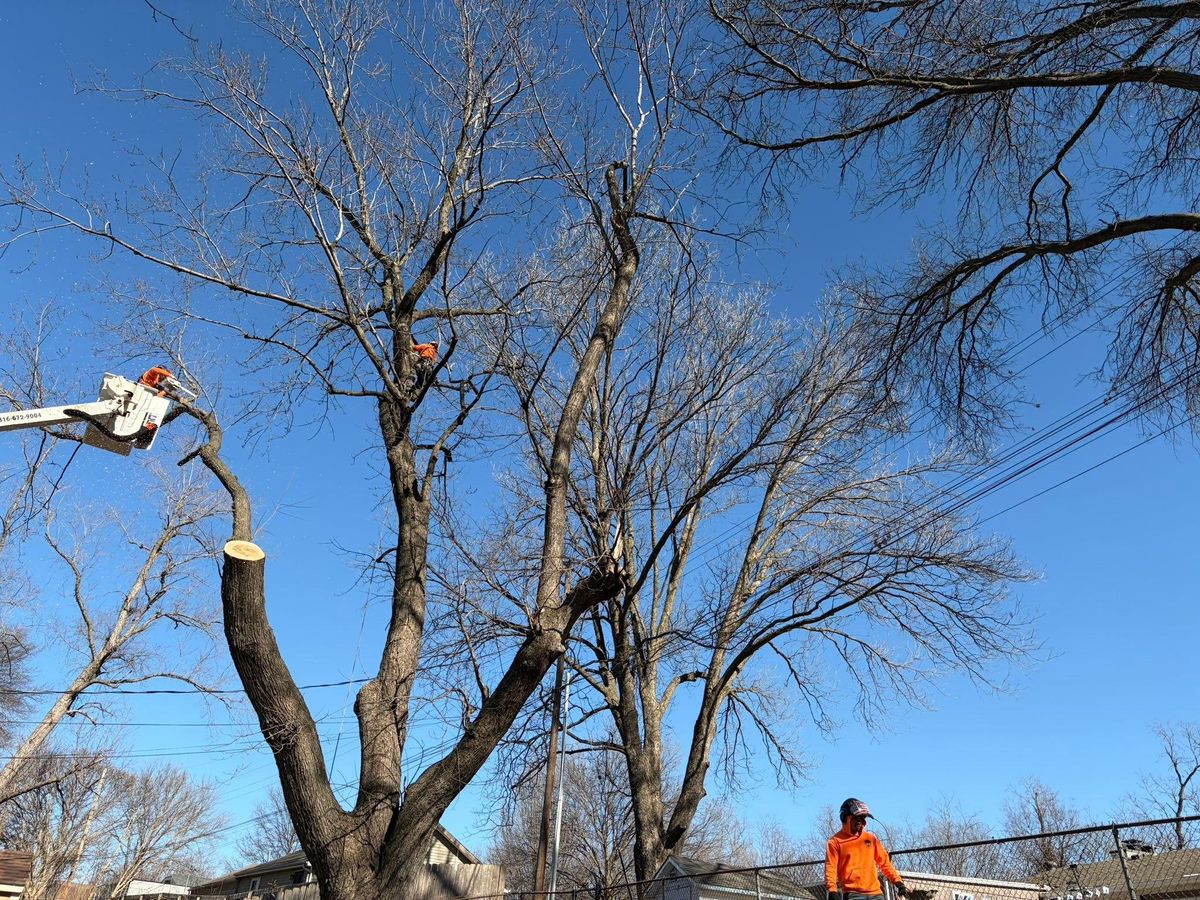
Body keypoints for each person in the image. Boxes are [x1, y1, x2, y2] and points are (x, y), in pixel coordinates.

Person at [825, 798, 908, 900]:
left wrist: (898, 882)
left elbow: (885, 863)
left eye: (862, 818)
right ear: (845, 818)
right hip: (853, 894)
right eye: (856, 818)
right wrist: (832, 890)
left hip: (876, 893)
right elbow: (831, 868)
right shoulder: (835, 842)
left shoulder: (870, 839)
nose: (860, 821)